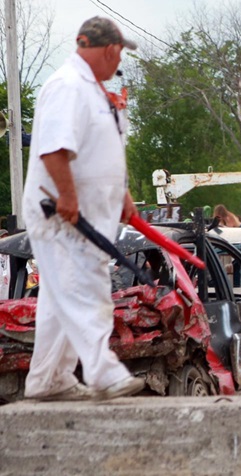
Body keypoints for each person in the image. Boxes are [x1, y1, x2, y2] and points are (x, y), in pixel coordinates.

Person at [19, 17, 144, 401]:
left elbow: (99, 154)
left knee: (61, 300)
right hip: (63, 216)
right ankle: (104, 372)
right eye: (120, 53)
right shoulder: (68, 86)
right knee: (85, 293)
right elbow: (54, 148)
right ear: (110, 49)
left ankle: (47, 379)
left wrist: (120, 193)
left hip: (84, 216)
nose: (118, 61)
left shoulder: (90, 91)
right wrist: (69, 196)